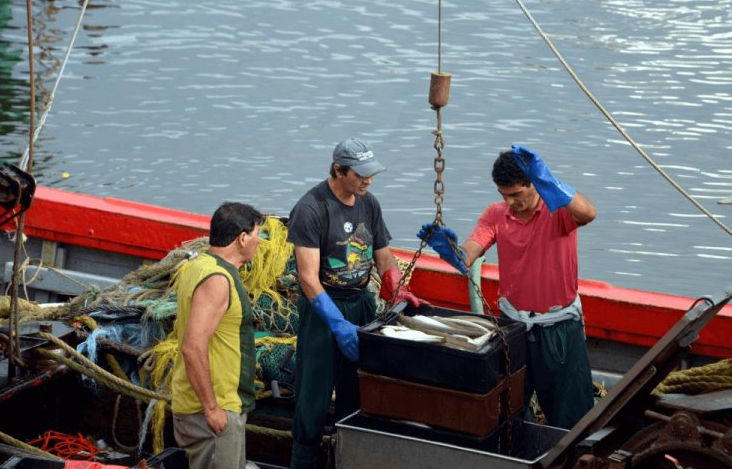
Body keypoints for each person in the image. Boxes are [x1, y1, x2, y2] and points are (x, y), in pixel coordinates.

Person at [417, 144, 597, 429]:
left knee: (572, 417)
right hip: (513, 328)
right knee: (507, 412)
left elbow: (588, 213)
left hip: (559, 330)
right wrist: (449, 251)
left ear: (535, 185)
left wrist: (549, 180)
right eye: (504, 195)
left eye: (516, 194)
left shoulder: (558, 211)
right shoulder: (496, 214)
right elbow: (467, 257)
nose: (510, 202)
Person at [287, 137, 425, 469]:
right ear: (339, 169)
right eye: (360, 174)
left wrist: (394, 283)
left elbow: (383, 255)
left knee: (358, 394)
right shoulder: (311, 209)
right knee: (312, 399)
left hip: (361, 305)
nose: (368, 181)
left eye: (371, 174)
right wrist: (337, 325)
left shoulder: (369, 204)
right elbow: (307, 277)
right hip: (323, 309)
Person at [171, 202, 265, 469]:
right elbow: (192, 348)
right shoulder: (216, 280)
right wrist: (212, 409)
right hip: (211, 413)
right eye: (257, 235)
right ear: (243, 238)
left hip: (214, 407)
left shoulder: (201, 265)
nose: (259, 242)